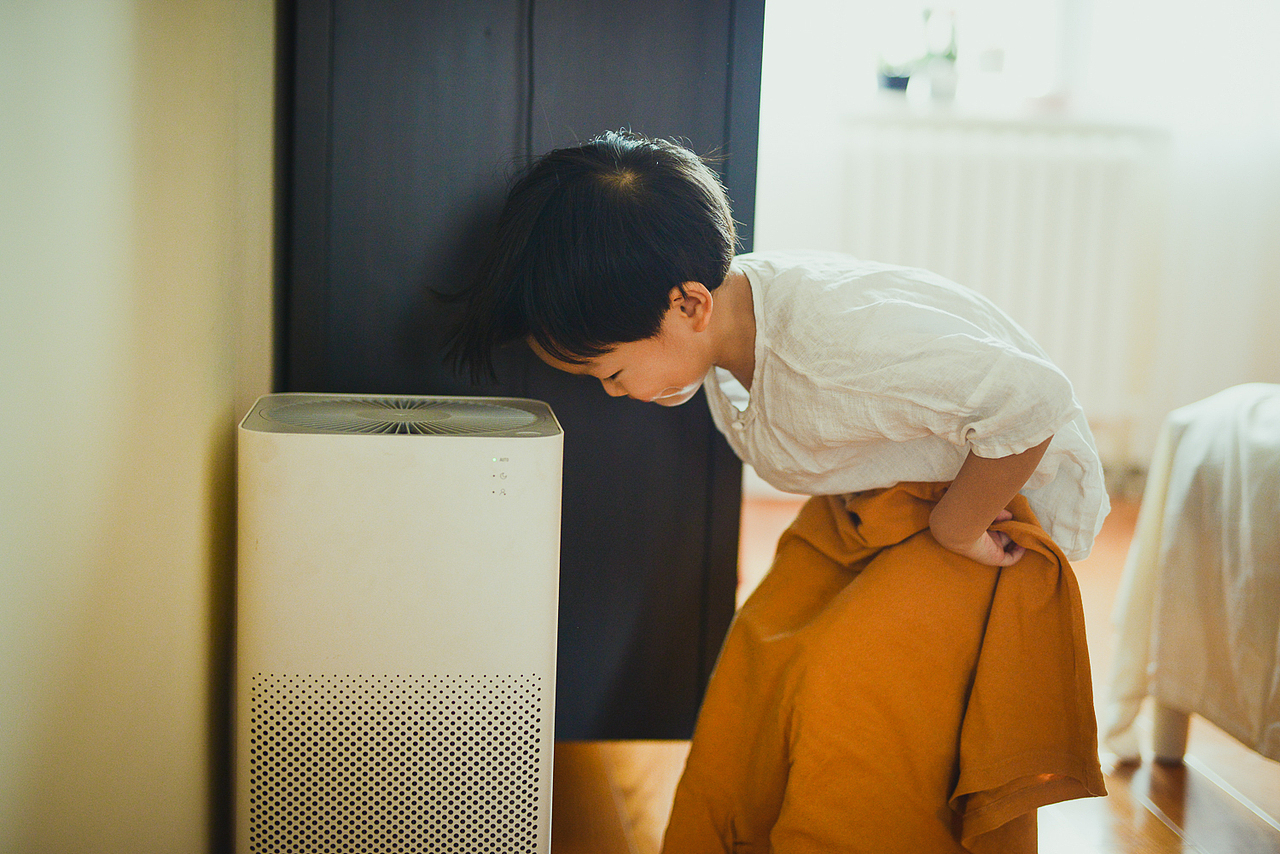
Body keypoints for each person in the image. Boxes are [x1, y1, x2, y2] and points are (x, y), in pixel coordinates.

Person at [447, 130, 1109, 565]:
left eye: (611, 371)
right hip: (906, 494)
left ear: (688, 305)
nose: (613, 392)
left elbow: (1033, 402)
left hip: (1000, 503)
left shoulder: (831, 348)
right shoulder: (731, 307)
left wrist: (956, 529)